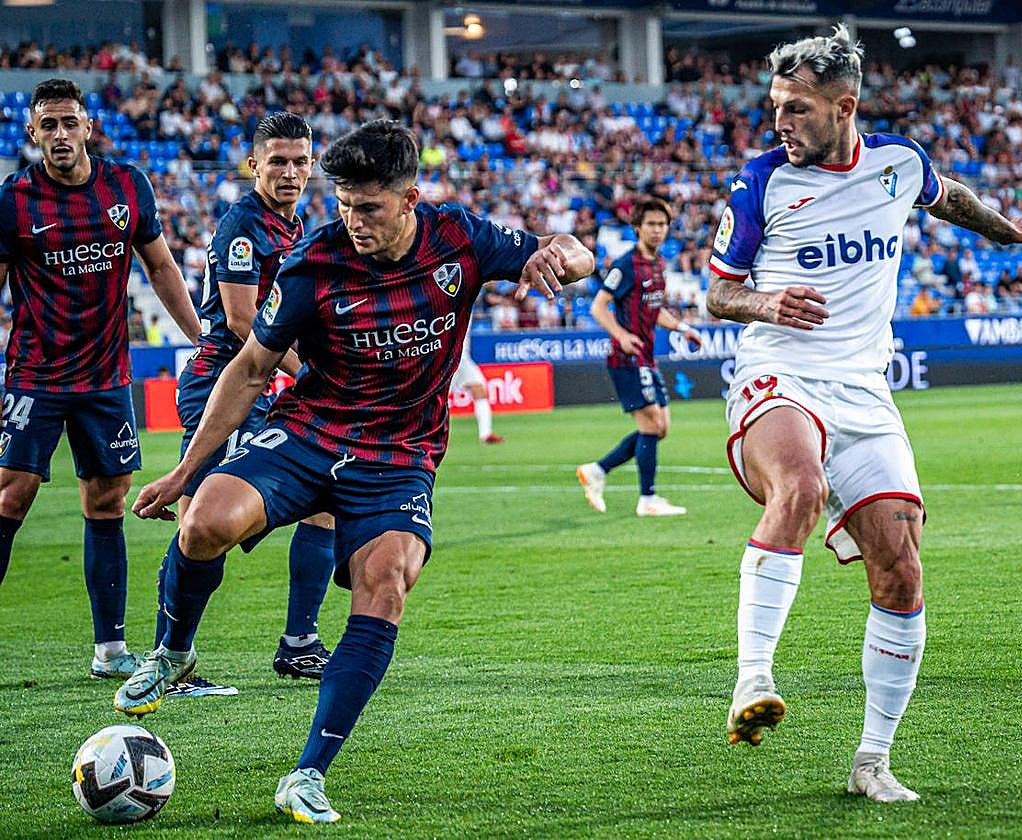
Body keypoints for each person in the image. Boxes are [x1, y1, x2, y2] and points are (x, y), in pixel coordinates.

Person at [114, 120, 594, 823]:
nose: (353, 221)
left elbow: (571, 248)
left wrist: (564, 257)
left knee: (387, 582)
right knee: (205, 521)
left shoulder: (458, 238)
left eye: (368, 207)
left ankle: (308, 773)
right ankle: (173, 650)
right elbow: (250, 368)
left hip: (400, 456)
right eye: (343, 205)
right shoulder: (314, 260)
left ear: (409, 199)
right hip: (310, 431)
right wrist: (185, 471)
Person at [705, 26, 1022, 803]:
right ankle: (753, 680)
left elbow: (949, 197)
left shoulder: (899, 164)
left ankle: (872, 762)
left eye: (796, 108)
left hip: (864, 394)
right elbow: (718, 291)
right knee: (799, 485)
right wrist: (767, 301)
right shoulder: (760, 183)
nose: (779, 121)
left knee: (901, 570)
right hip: (780, 375)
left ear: (845, 107)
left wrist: (1009, 231)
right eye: (775, 106)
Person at [0, 78, 200, 678]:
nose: (60, 134)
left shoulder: (127, 186)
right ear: (32, 133)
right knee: (11, 493)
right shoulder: (13, 201)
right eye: (48, 125)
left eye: (70, 123)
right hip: (35, 374)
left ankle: (110, 651)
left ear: (88, 127)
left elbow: (160, 267)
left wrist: (202, 339)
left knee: (107, 501)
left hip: (106, 378)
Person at [162, 112, 337, 699]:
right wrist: (310, 371)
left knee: (324, 500)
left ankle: (300, 643)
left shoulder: (296, 225)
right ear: (253, 164)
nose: (290, 171)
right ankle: (171, 660)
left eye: (300, 161)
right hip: (224, 383)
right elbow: (242, 321)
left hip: (267, 388)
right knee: (199, 522)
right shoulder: (244, 225)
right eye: (277, 161)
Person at [576, 197, 701, 517]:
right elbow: (598, 307)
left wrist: (683, 328)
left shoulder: (658, 264)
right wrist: (621, 335)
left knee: (661, 428)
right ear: (637, 228)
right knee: (652, 425)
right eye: (651, 224)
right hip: (626, 359)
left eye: (662, 225)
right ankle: (647, 499)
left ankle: (598, 470)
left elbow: (654, 310)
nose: (657, 230)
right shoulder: (626, 265)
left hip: (647, 358)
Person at [449, 325, 503, 444]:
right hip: (449, 356)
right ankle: (433, 436)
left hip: (463, 357)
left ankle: (486, 434)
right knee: (438, 398)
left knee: (479, 389)